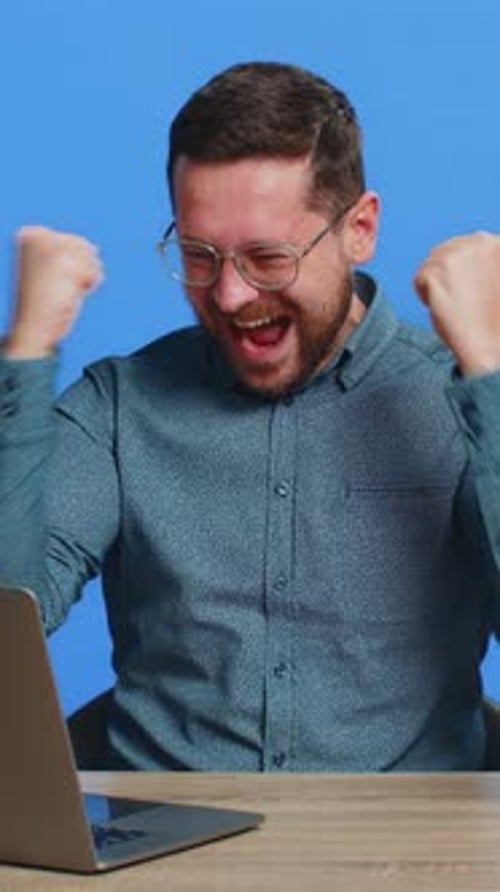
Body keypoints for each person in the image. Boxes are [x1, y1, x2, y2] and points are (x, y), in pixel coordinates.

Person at [2, 61, 500, 772]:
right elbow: (7, 620)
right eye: (199, 256)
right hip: (163, 858)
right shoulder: (120, 406)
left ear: (359, 229)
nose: (232, 295)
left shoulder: (453, 400)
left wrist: (490, 372)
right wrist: (25, 355)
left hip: (402, 855)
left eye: (268, 257)